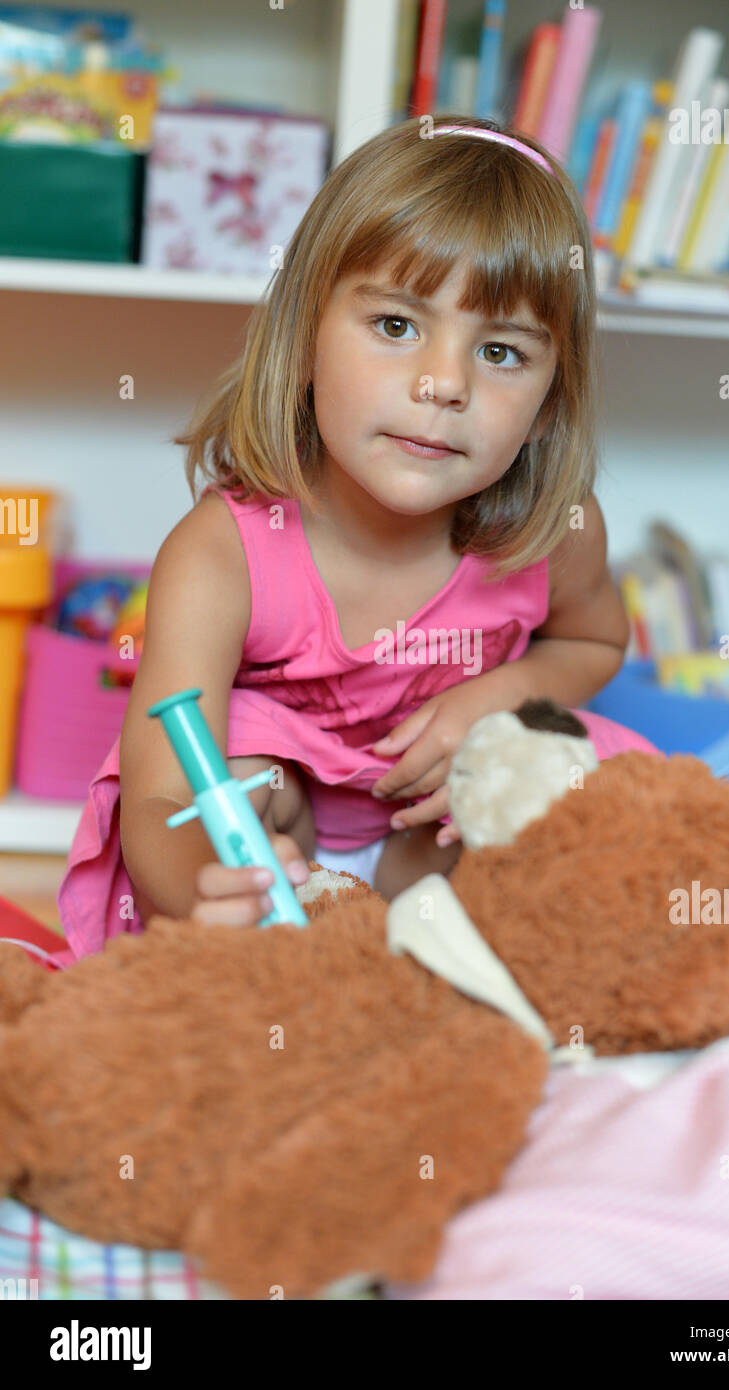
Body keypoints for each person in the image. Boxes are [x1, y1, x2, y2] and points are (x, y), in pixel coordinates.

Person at [56, 114, 635, 960]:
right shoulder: (220, 554)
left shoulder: (556, 530)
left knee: (568, 772)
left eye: (502, 352)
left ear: (550, 402)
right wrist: (207, 895)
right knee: (240, 762)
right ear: (304, 341)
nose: (443, 384)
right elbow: (161, 799)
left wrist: (501, 698)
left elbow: (593, 640)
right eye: (396, 326)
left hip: (432, 853)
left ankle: (440, 964)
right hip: (279, 863)